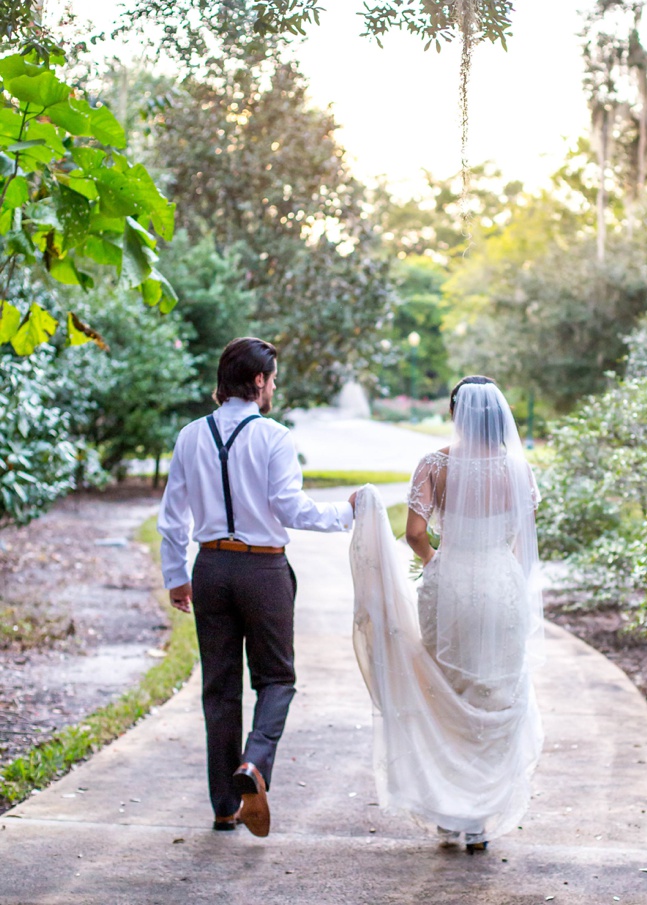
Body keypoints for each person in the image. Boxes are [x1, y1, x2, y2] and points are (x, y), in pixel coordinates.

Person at [158, 336, 357, 837]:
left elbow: (171, 518)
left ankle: (225, 807)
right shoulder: (274, 437)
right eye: (272, 378)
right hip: (263, 571)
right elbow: (292, 510)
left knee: (218, 689)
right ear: (259, 382)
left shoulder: (189, 435)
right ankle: (254, 764)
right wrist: (348, 511)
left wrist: (175, 577)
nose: (273, 387)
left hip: (210, 569)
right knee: (276, 679)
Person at [350, 375, 544, 852]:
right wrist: (504, 572)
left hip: (451, 584)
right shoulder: (518, 469)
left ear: (456, 413)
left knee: (447, 692)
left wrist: (436, 564)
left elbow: (415, 532)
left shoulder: (435, 465)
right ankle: (479, 821)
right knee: (494, 691)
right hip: (502, 586)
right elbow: (524, 539)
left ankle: (449, 811)